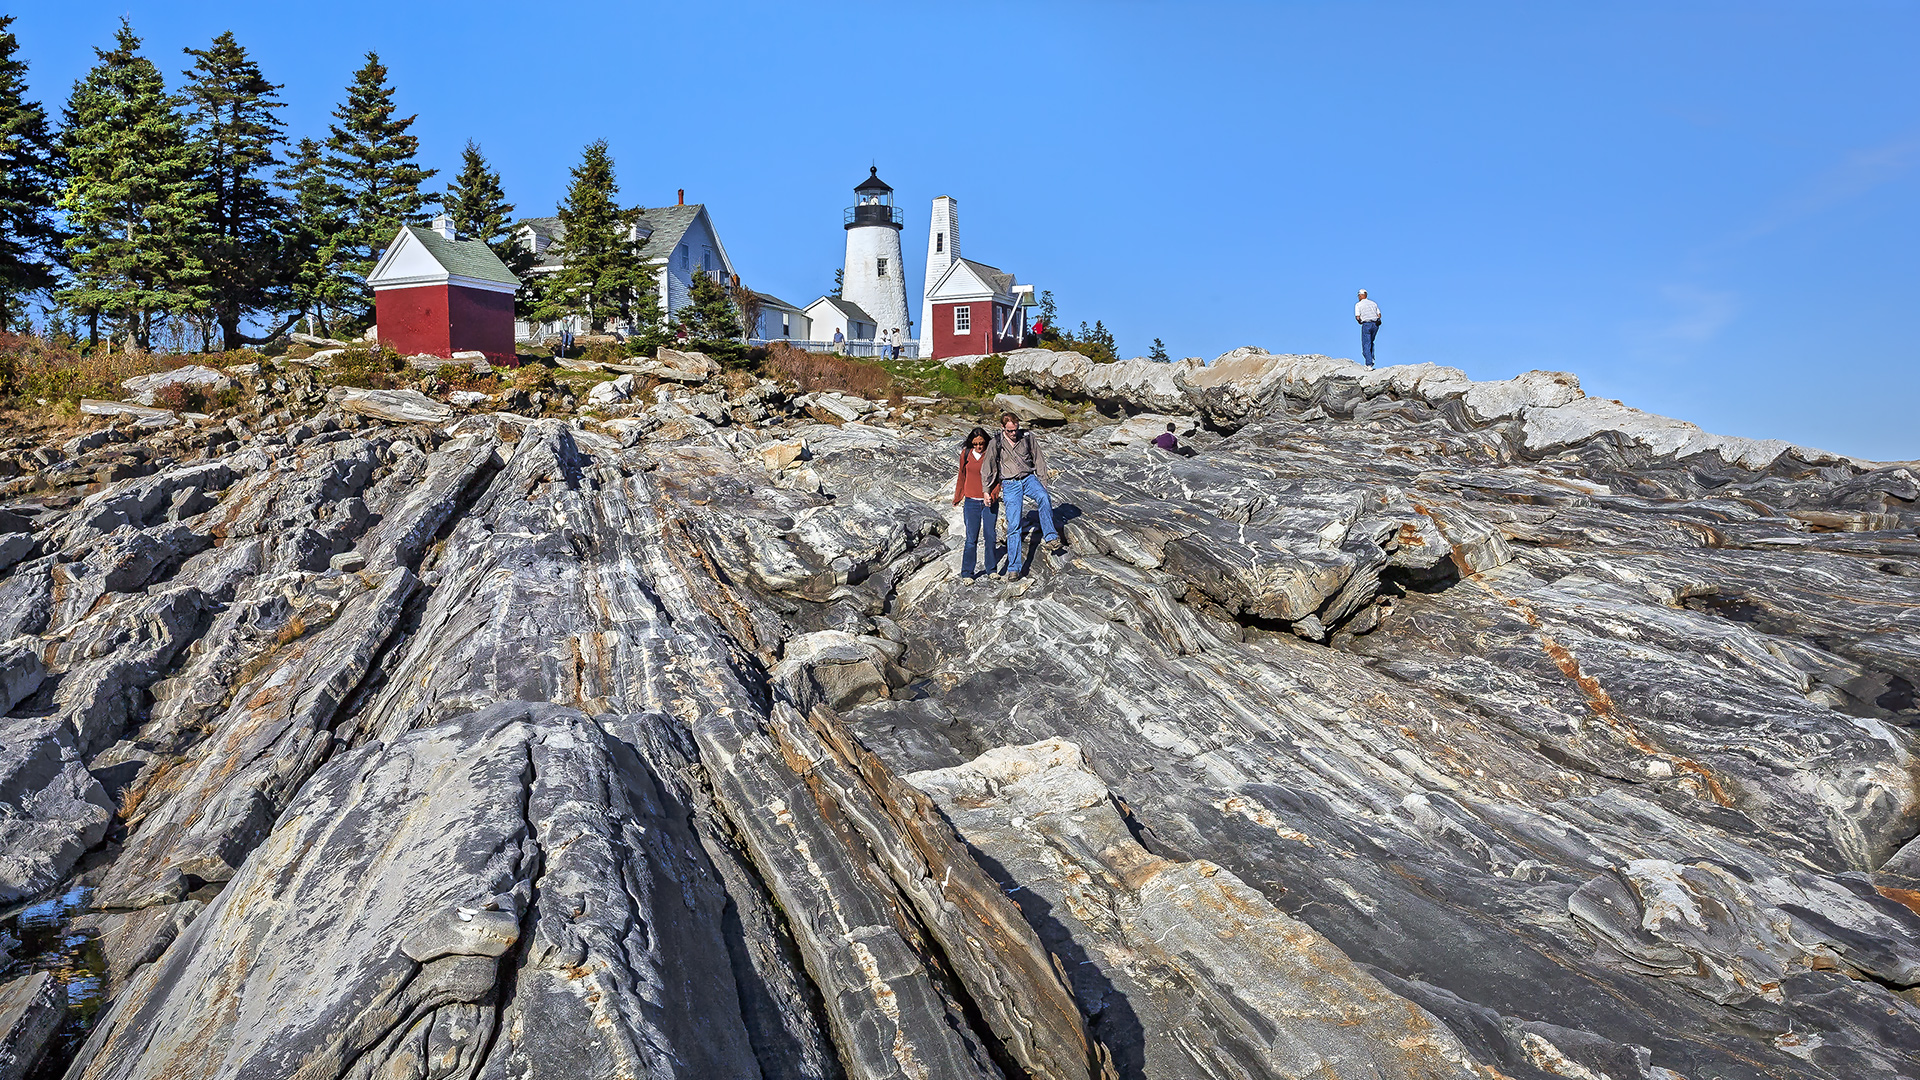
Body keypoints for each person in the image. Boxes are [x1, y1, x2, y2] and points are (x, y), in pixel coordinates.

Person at [981, 411, 1064, 578]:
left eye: (1015, 429)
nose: (1013, 433)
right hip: (1010, 484)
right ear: (1003, 428)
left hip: (1028, 478)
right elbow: (988, 467)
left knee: (1043, 497)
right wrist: (986, 491)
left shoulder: (1027, 436)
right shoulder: (996, 442)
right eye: (1010, 431)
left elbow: (1039, 459)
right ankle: (1014, 568)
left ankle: (1050, 536)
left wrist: (1043, 483)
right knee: (1013, 526)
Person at [951, 427, 997, 580]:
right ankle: (967, 573)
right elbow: (961, 476)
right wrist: (957, 497)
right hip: (971, 502)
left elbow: (998, 477)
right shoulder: (966, 454)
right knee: (971, 538)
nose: (978, 446)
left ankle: (991, 570)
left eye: (982, 443)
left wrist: (993, 495)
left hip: (989, 502)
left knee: (990, 536)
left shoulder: (991, 455)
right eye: (975, 443)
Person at [1354, 289, 1381, 368]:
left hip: (1366, 324)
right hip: (1375, 324)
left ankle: (1369, 364)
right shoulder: (1373, 303)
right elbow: (1379, 314)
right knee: (1371, 342)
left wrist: (1360, 321)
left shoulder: (1358, 305)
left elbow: (1357, 316)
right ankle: (1371, 358)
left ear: (1361, 295)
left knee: (1366, 343)